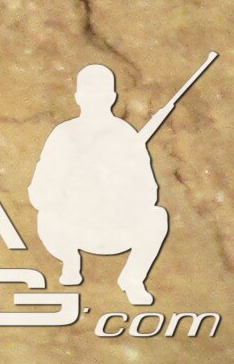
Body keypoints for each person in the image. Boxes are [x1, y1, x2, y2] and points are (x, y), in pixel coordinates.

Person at [30, 64, 172, 306]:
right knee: (46, 217)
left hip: (113, 228)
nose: (94, 100)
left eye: (100, 94)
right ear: (78, 97)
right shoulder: (64, 134)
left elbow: (149, 192)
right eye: (89, 93)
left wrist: (119, 183)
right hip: (73, 227)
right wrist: (70, 188)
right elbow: (40, 190)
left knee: (157, 217)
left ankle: (132, 279)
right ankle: (69, 260)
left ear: (112, 98)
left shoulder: (125, 136)